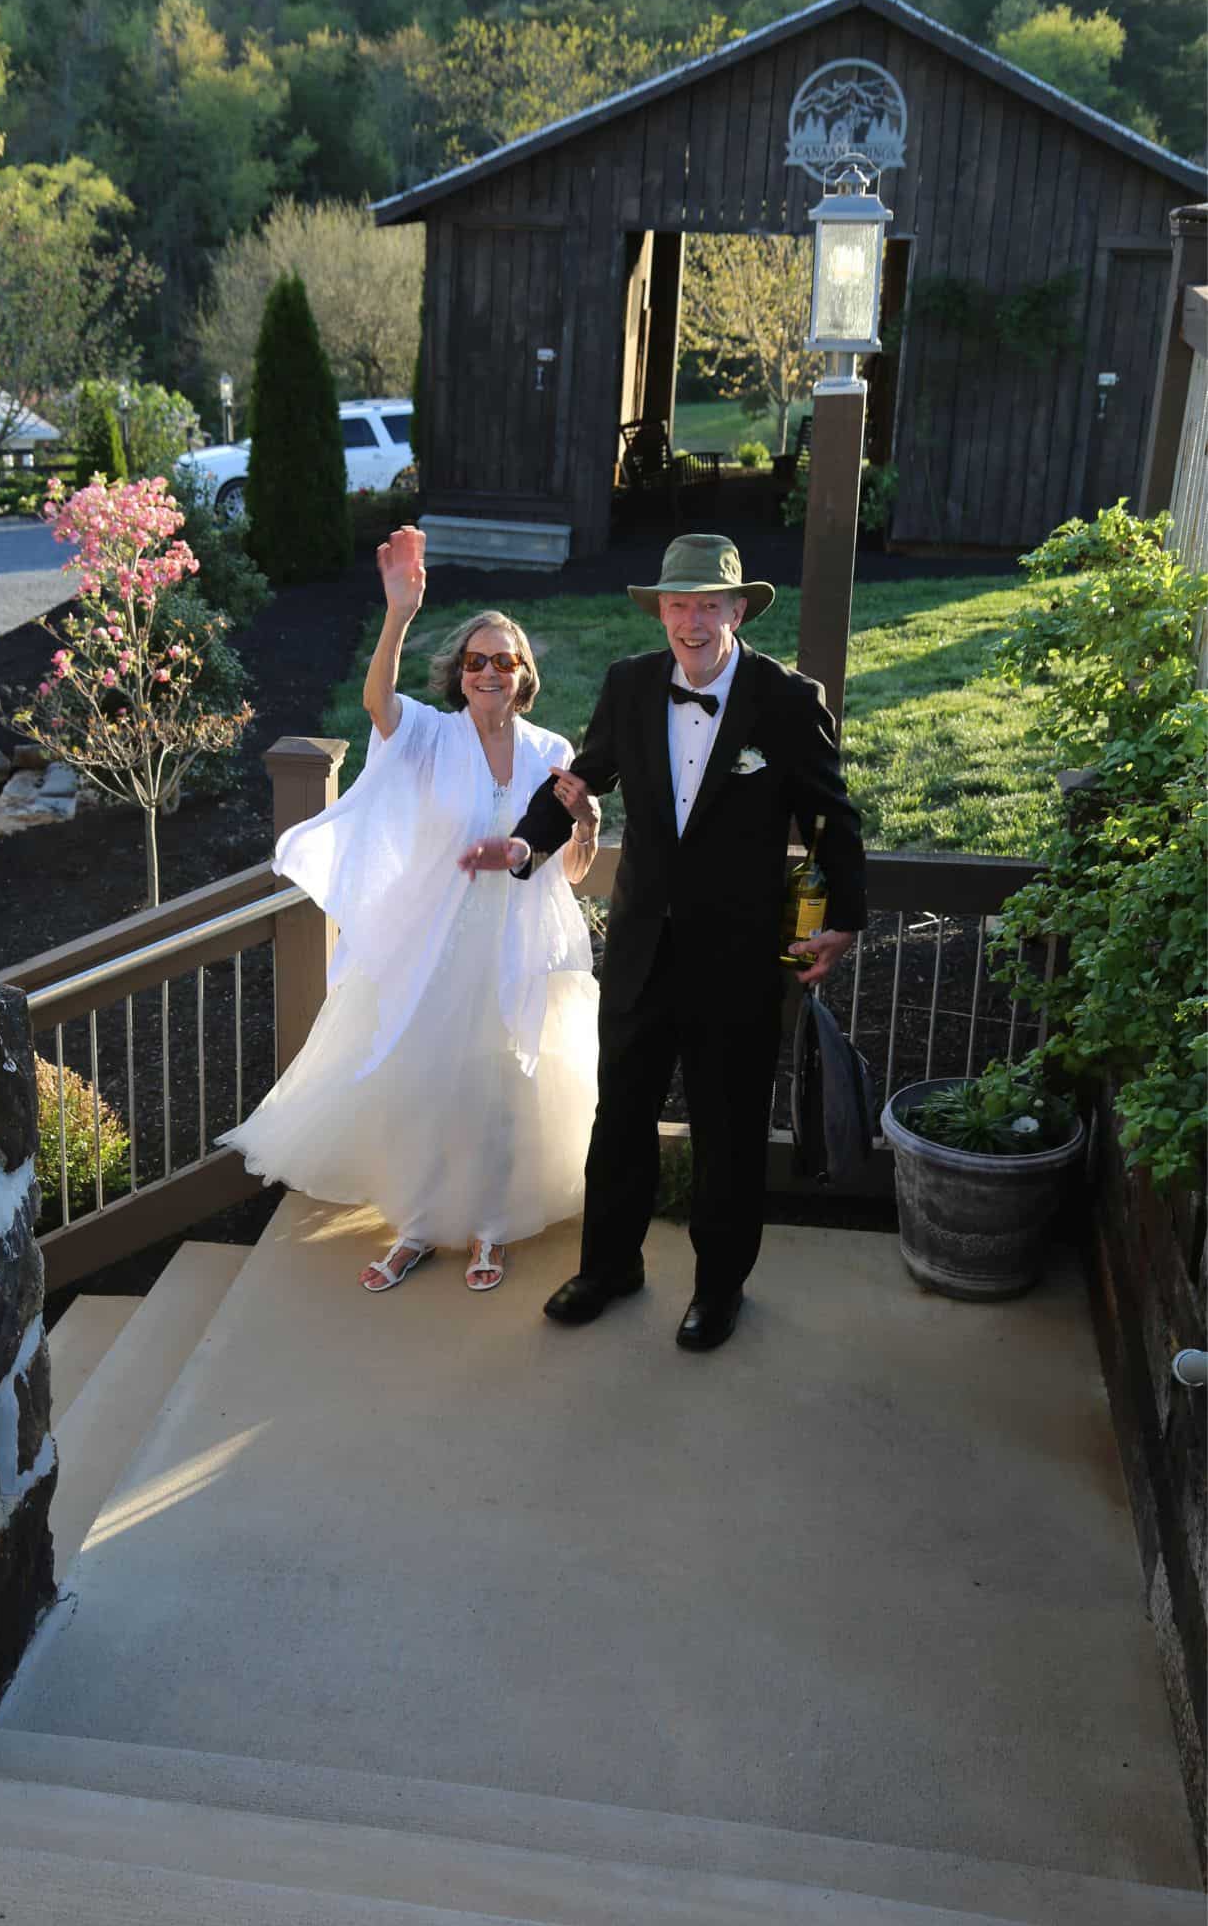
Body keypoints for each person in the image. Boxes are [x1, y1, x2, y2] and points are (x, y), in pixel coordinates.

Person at [460, 532, 867, 1352]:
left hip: (741, 952)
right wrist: (524, 843)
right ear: (660, 612)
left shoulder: (785, 699)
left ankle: (719, 1289)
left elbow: (831, 816)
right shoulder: (629, 684)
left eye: (707, 604)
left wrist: (845, 918)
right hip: (644, 943)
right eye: (676, 604)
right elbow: (582, 778)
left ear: (738, 609)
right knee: (621, 1116)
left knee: (728, 1126)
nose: (690, 620)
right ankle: (609, 1267)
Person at [218, 525, 601, 1293]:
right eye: (476, 660)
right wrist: (397, 612)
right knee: (425, 1087)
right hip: (434, 944)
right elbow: (375, 700)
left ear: (523, 675)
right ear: (459, 675)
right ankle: (420, 1228)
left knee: (504, 1094)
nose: (490, 671)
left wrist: (586, 820)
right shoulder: (427, 736)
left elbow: (575, 873)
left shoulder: (552, 750)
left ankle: (491, 1229)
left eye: (505, 660)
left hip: (520, 945)